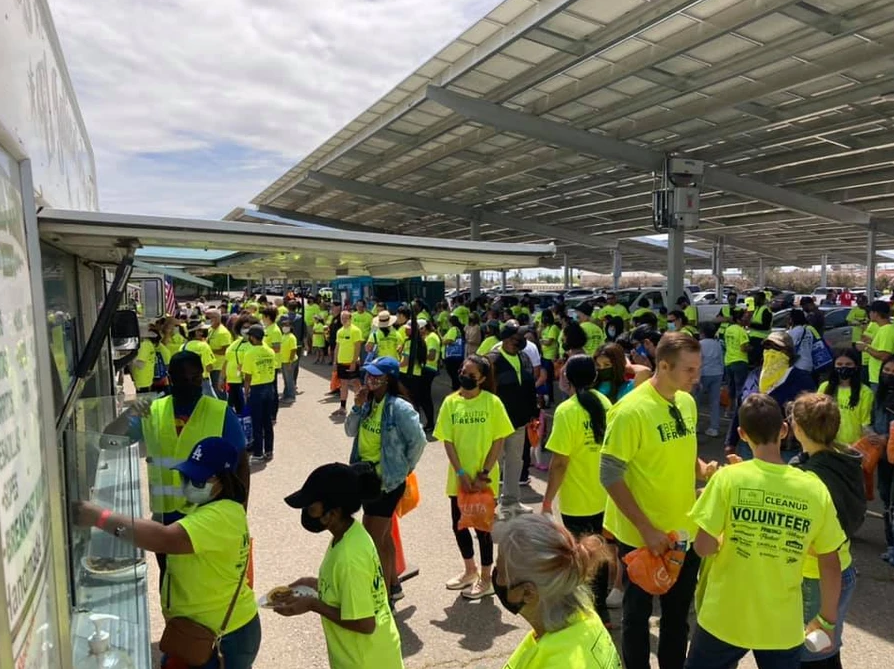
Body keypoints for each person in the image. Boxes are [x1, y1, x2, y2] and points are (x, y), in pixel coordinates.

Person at [685, 393, 846, 669]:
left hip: (724, 616)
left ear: (742, 434)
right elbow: (830, 561)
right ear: (784, 430)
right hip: (781, 625)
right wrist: (827, 620)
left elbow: (703, 546)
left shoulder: (727, 478)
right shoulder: (813, 488)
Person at [74, 437, 260, 669]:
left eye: (196, 478)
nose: (187, 481)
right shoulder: (211, 508)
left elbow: (164, 539)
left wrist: (100, 518)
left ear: (219, 480)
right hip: (201, 631)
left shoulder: (220, 516)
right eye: (186, 475)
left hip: (224, 637)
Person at [600, 333, 714, 669]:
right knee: (637, 616)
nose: (697, 376)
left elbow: (680, 448)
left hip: (683, 531)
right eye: (690, 370)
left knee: (677, 617)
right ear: (663, 366)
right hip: (642, 537)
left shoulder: (686, 401)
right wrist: (646, 529)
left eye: (698, 368)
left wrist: (703, 469)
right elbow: (609, 475)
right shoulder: (630, 411)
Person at [278, 463, 404, 669]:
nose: (307, 513)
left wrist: (313, 604)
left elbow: (365, 623)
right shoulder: (349, 535)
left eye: (311, 508)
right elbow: (349, 588)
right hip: (371, 653)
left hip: (365, 660)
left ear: (333, 513)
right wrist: (310, 583)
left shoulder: (349, 557)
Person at [789, 394, 865, 669]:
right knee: (826, 651)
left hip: (817, 578)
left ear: (797, 428)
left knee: (812, 656)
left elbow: (813, 543)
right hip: (842, 571)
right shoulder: (843, 459)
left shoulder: (810, 479)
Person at [345, 356, 426, 605]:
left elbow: (418, 441)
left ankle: (380, 594)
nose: (369, 379)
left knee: (371, 536)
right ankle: (393, 585)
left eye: (375, 375)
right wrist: (357, 407)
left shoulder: (399, 408)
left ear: (387, 379)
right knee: (383, 536)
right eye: (368, 374)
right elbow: (350, 430)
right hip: (366, 477)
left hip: (388, 481)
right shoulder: (368, 402)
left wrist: (403, 468)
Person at [434, 354, 515, 599]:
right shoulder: (450, 403)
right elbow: (447, 440)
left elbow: (498, 439)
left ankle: (486, 577)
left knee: (483, 529)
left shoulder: (492, 402)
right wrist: (460, 473)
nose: (464, 376)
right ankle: (469, 571)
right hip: (458, 479)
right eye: (462, 371)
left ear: (481, 378)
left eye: (471, 374)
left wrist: (484, 473)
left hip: (484, 480)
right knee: (459, 526)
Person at [541, 355, 614, 625]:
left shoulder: (567, 410)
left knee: (580, 556)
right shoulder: (605, 403)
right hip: (605, 495)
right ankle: (601, 610)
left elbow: (559, 462)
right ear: (594, 377)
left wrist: (547, 500)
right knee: (601, 553)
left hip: (577, 498)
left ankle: (585, 611)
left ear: (566, 379)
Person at [494, 514, 621, 668]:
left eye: (500, 572)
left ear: (527, 593)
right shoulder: (585, 617)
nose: (495, 577)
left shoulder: (559, 662)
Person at [725, 331, 816, 460]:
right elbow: (740, 408)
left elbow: (810, 418)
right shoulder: (754, 376)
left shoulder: (801, 380)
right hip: (749, 448)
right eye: (767, 347)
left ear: (788, 353)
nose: (770, 351)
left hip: (784, 451)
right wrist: (731, 442)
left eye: (776, 348)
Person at [488, 326, 538, 517]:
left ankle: (511, 501)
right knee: (494, 463)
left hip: (519, 421)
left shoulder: (523, 357)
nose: (520, 341)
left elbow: (529, 386)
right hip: (497, 423)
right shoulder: (492, 360)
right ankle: (489, 502)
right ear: (507, 340)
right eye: (517, 337)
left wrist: (532, 412)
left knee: (515, 461)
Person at [819, 348, 873, 446]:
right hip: (828, 445)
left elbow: (865, 424)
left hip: (854, 447)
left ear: (856, 366)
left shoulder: (865, 392)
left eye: (848, 364)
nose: (844, 367)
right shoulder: (824, 387)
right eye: (839, 364)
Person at [242, 324, 277, 464]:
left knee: (256, 423)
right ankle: (269, 451)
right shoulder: (269, 351)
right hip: (269, 388)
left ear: (252, 337)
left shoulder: (250, 353)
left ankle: (258, 453)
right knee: (267, 422)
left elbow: (248, 376)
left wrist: (246, 392)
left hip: (256, 389)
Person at [873, 355, 894, 566]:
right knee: (886, 499)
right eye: (886, 370)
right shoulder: (878, 396)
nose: (889, 375)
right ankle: (890, 543)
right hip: (883, 457)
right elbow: (872, 421)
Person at [220, 315, 257, 413]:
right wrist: (221, 378)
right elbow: (226, 361)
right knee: (233, 409)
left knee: (246, 410)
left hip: (246, 383)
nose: (246, 330)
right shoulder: (235, 343)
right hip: (232, 382)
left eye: (249, 327)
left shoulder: (257, 344)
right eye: (244, 327)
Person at [333, 310, 364, 418]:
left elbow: (357, 347)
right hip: (341, 362)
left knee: (356, 383)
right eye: (342, 318)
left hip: (351, 362)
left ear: (350, 319)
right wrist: (335, 361)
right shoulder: (340, 331)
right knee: (343, 384)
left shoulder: (355, 331)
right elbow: (337, 347)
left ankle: (361, 405)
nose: (344, 320)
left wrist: (354, 362)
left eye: (346, 318)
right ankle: (342, 407)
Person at [857, 299, 894, 388]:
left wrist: (865, 348)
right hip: (876, 377)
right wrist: (871, 342)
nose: (869, 315)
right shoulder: (883, 329)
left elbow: (885, 355)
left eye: (870, 312)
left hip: (879, 377)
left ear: (876, 313)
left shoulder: (886, 330)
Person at [697, 323, 723, 437]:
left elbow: (698, 362)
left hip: (703, 374)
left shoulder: (700, 344)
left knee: (696, 400)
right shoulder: (718, 344)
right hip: (717, 373)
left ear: (702, 333)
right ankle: (714, 427)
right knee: (714, 401)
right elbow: (721, 360)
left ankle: (695, 425)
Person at [723, 308, 750, 417]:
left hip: (728, 361)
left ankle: (728, 410)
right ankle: (740, 411)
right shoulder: (741, 331)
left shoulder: (728, 329)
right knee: (741, 388)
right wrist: (752, 348)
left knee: (731, 387)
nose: (747, 320)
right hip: (740, 361)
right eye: (745, 318)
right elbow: (744, 348)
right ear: (739, 319)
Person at [132, 325, 171, 394]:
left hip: (140, 381)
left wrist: (129, 358)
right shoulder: (152, 345)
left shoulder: (145, 345)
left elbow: (140, 365)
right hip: (147, 380)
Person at [183, 321, 216, 397]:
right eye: (200, 330)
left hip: (187, 380)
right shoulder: (203, 346)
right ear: (195, 332)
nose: (202, 333)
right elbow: (209, 368)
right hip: (202, 381)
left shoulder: (184, 346)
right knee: (213, 404)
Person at [206, 309, 233, 400]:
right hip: (212, 365)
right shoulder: (210, 329)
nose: (208, 319)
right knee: (214, 389)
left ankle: (224, 410)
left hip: (220, 367)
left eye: (210, 317)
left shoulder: (223, 332)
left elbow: (226, 350)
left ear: (217, 318)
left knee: (219, 390)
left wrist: (210, 351)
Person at [539, 310, 560, 405]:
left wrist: (541, 341)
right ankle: (547, 398)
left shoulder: (553, 327)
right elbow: (539, 337)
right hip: (544, 355)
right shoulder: (545, 328)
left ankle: (550, 399)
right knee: (544, 378)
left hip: (550, 356)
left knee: (549, 379)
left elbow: (549, 342)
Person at [787, 309, 818, 374]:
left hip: (798, 365)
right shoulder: (808, 330)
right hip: (809, 364)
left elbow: (789, 347)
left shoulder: (794, 332)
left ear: (792, 319)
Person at [747, 291, 772, 366]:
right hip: (754, 338)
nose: (754, 300)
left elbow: (766, 326)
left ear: (762, 300)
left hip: (761, 340)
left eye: (756, 299)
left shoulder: (766, 310)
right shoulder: (757, 309)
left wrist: (751, 325)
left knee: (757, 362)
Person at [279, 315, 299, 405]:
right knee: (286, 379)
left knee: (289, 379)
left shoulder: (291, 337)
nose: (284, 327)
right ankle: (286, 395)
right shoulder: (283, 336)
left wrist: (290, 362)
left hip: (289, 361)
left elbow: (293, 350)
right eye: (283, 326)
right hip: (283, 361)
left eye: (286, 326)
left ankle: (291, 396)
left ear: (290, 327)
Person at [443, 315, 465, 391]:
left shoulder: (453, 329)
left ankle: (456, 389)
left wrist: (443, 341)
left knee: (454, 375)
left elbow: (450, 340)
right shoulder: (459, 329)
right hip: (458, 356)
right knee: (455, 374)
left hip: (451, 356)